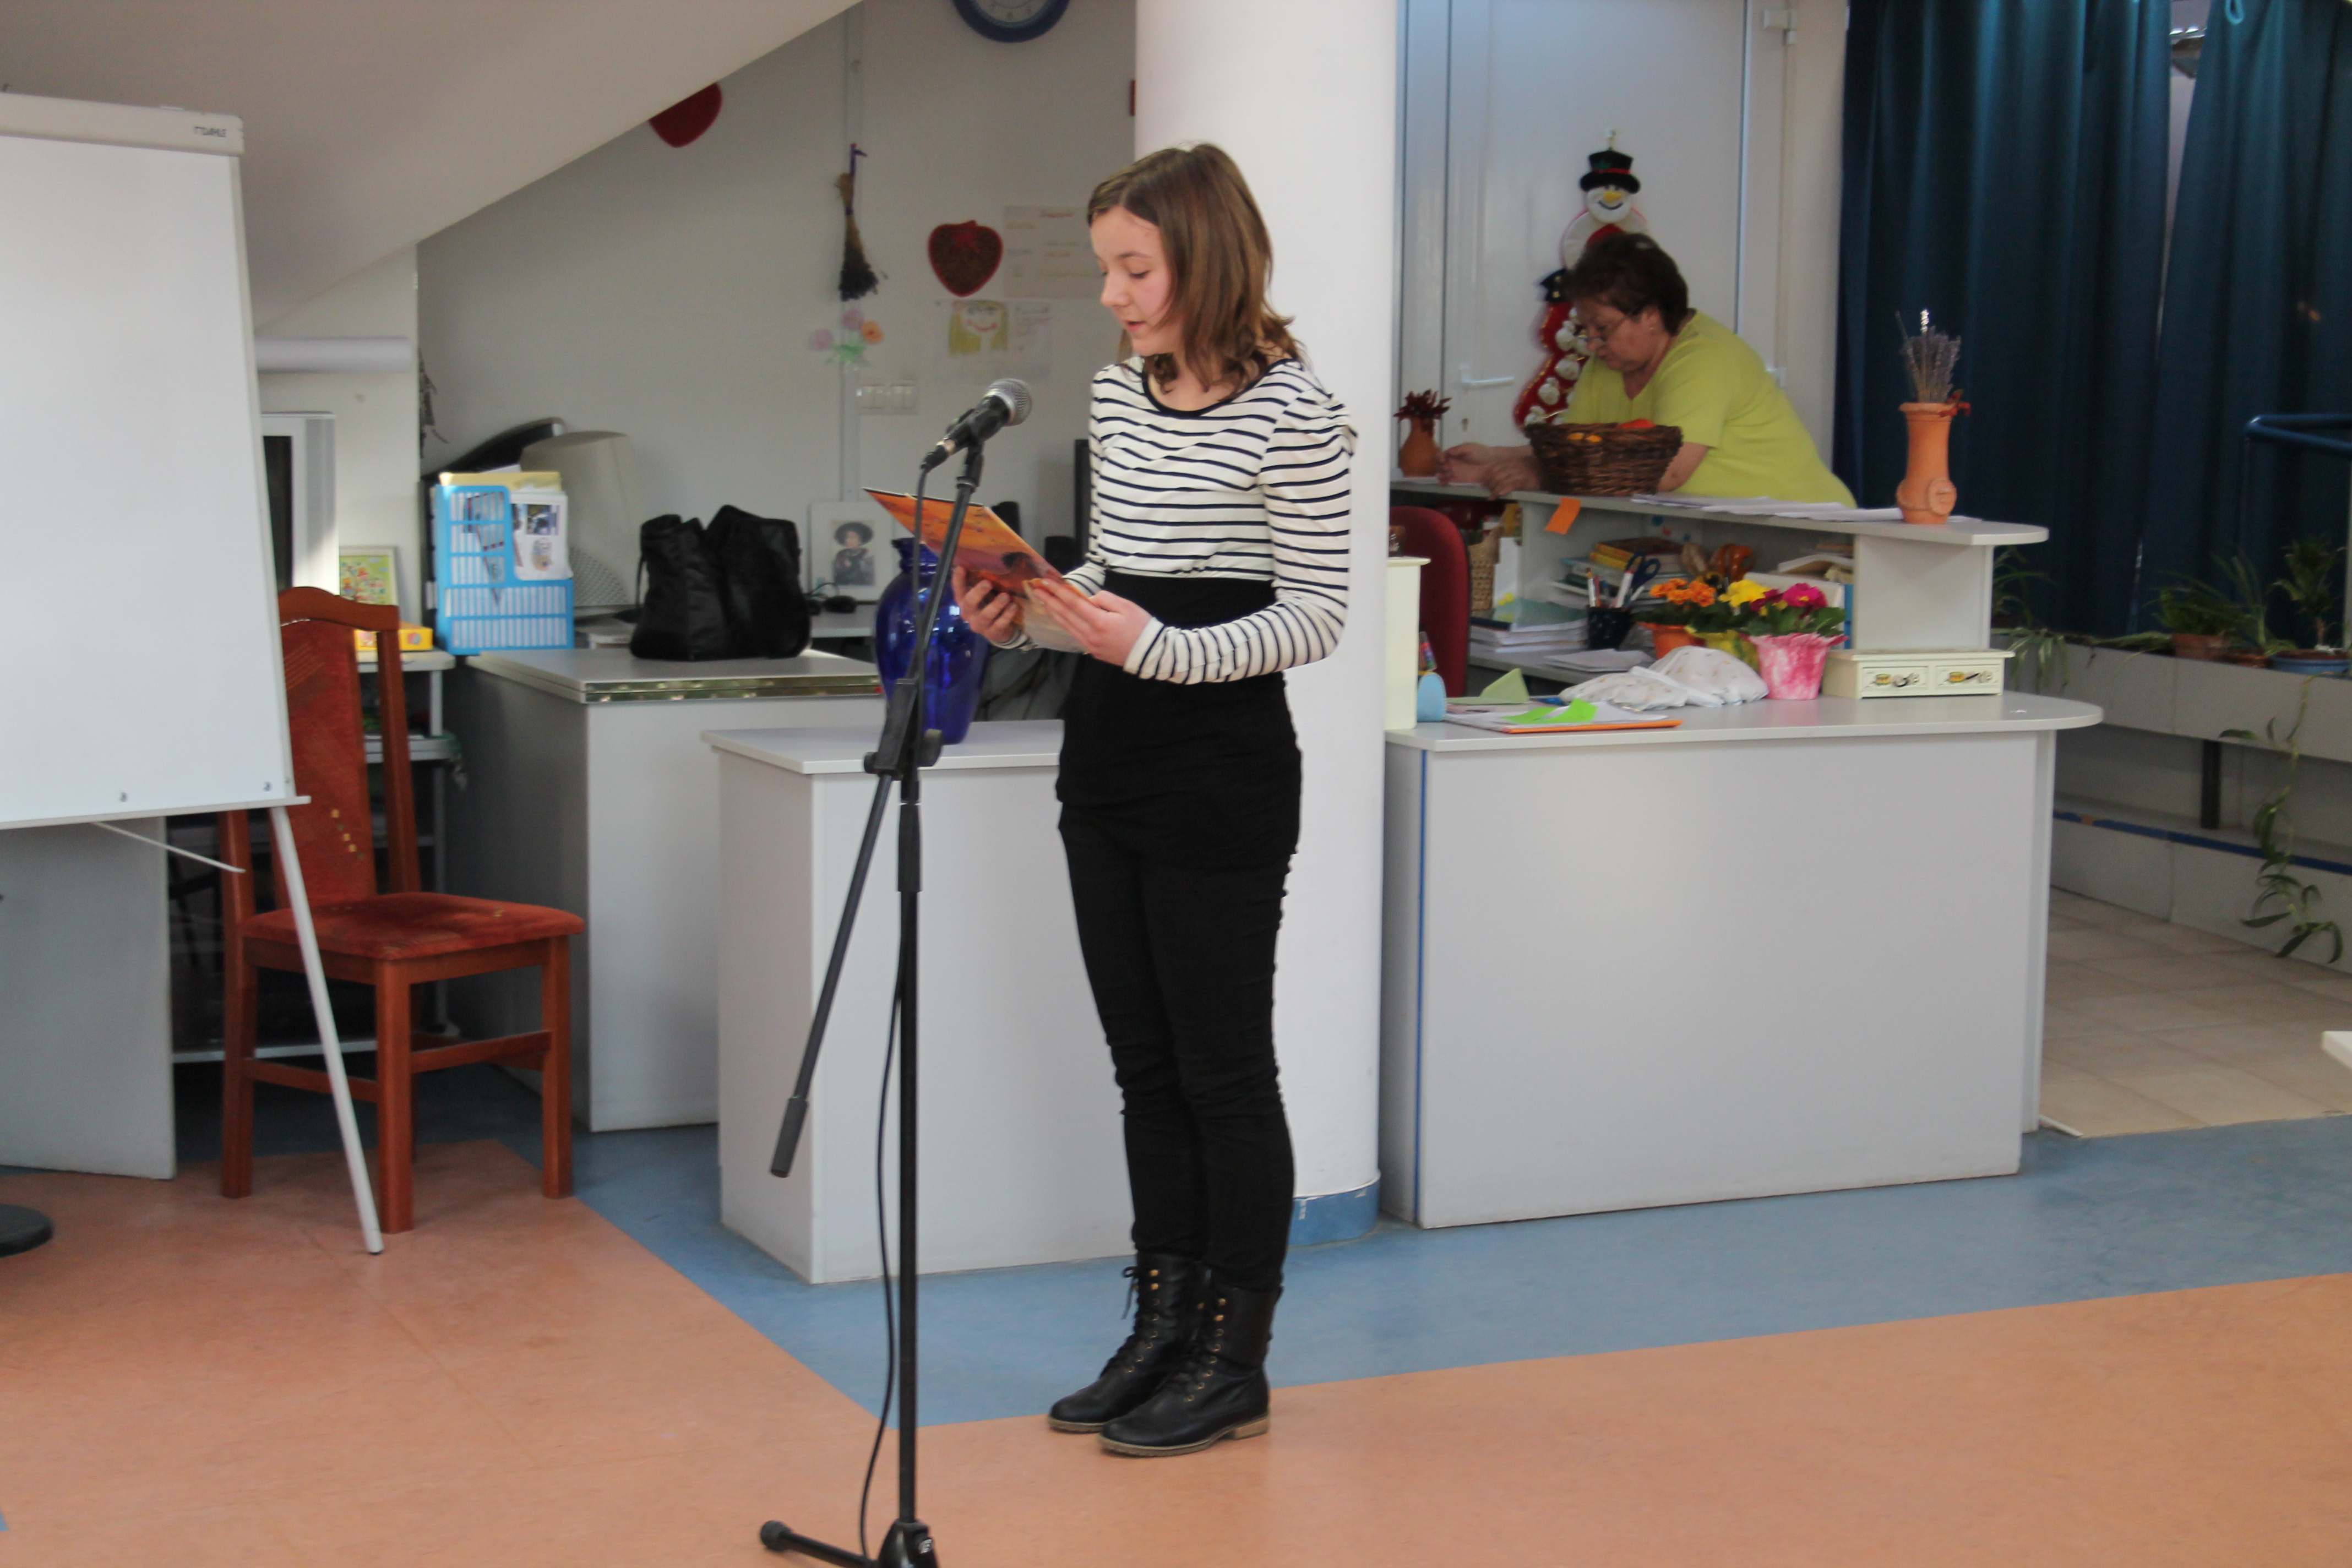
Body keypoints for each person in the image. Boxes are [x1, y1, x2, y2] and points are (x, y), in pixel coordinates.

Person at [953, 144, 1352, 1459]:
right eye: (1107, 270)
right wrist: (1029, 609)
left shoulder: (1299, 413)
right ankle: (1162, 1322)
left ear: (1206, 257)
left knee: (1223, 1071)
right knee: (1145, 1068)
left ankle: (1233, 1354)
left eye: (1136, 268)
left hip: (1222, 770)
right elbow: (1116, 580)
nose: (1115, 296)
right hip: (1109, 757)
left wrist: (1160, 649)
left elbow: (1318, 615)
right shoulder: (1120, 394)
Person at [1441, 232, 1853, 505]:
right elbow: (1579, 449)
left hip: (1803, 532)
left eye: (1603, 329)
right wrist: (1496, 459)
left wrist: (1536, 475)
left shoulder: (1705, 359)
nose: (1592, 344)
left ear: (1651, 316)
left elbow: (1666, 471)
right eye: (1586, 330)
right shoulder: (1609, 361)